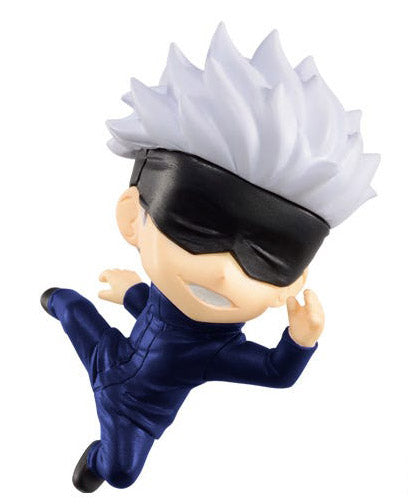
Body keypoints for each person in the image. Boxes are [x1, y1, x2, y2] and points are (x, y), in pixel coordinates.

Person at [41, 23, 379, 492]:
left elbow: (275, 372)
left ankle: (98, 458)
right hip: (110, 353)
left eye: (268, 257)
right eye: (196, 226)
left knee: (120, 472)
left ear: (291, 283)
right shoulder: (170, 298)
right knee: (73, 308)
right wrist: (131, 291)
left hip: (134, 414)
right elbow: (156, 312)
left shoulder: (218, 352)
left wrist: (299, 342)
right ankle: (61, 301)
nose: (223, 270)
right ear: (133, 217)